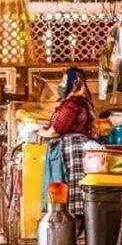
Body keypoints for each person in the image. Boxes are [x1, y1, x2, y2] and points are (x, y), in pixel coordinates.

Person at [37, 67, 95, 229]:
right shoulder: (81, 102)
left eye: (63, 81)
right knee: (71, 192)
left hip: (72, 152)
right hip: (77, 149)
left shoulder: (72, 103)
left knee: (70, 195)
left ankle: (69, 238)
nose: (61, 85)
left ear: (74, 83)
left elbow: (57, 129)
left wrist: (40, 131)